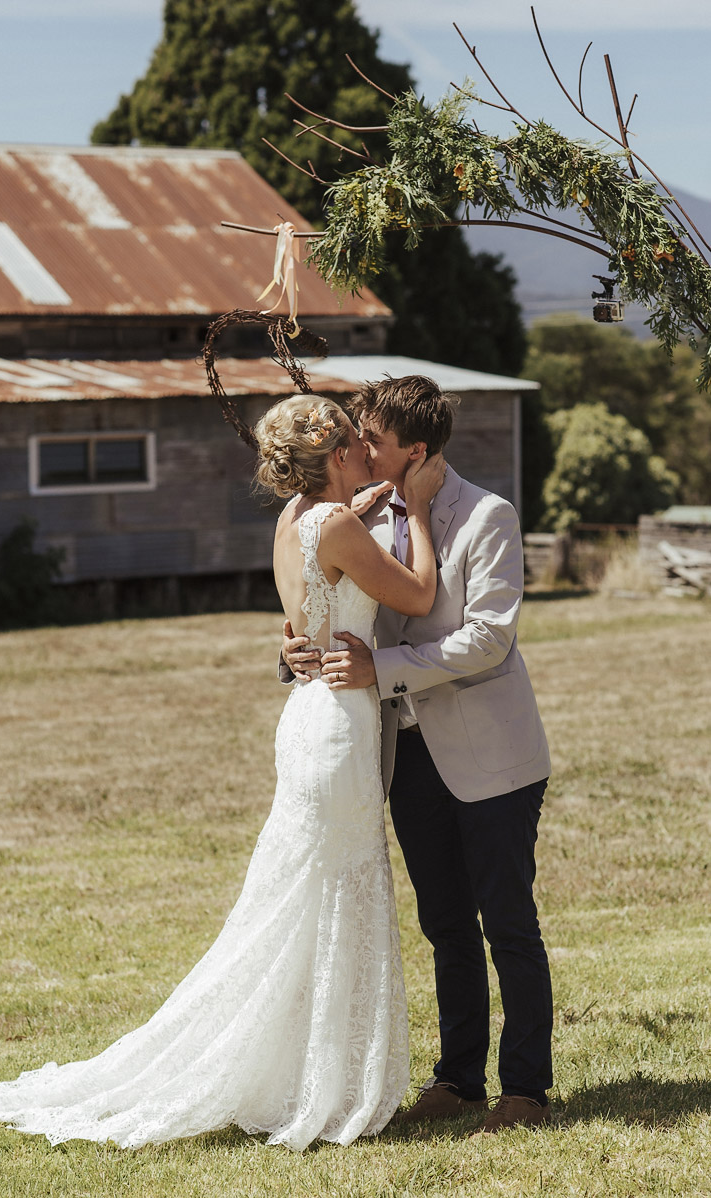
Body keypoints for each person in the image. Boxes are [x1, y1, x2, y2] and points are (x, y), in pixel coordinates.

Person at [0, 394, 445, 1152]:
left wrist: (370, 500)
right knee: (332, 892)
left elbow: (308, 608)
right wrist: (412, 509)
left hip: (309, 716)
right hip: (340, 723)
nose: (367, 456)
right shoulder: (343, 524)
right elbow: (415, 594)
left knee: (303, 896)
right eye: (358, 446)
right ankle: (316, 1082)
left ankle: (298, 1069)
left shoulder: (292, 520)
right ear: (339, 454)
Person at [282, 375, 553, 1134]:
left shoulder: (485, 516)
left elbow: (487, 638)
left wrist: (384, 671)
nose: (356, 449)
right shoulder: (359, 516)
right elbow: (341, 610)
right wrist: (300, 653)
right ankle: (458, 1079)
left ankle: (525, 1087)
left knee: (507, 923)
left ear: (418, 450)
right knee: (443, 924)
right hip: (405, 756)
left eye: (372, 439)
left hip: (492, 756)